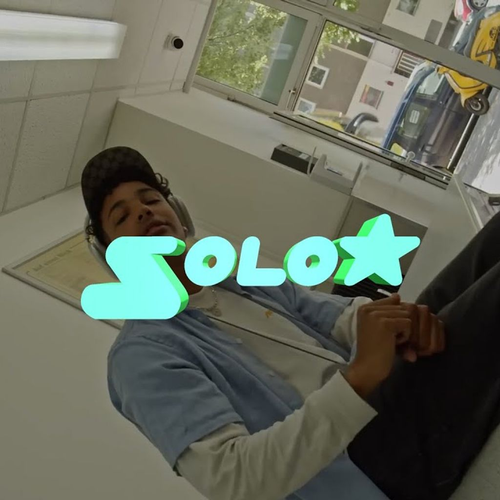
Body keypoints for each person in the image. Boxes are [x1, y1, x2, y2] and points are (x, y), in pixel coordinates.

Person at [81, 146, 500, 500]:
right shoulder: (141, 356)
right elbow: (234, 479)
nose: (144, 212)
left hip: (389, 393)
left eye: (150, 199)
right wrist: (358, 377)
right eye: (121, 216)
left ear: (178, 213)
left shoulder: (245, 281)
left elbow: (335, 315)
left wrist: (396, 324)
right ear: (110, 257)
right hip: (368, 464)